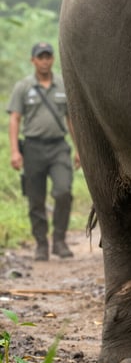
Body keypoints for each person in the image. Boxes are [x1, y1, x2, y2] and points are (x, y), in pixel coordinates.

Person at [7, 42, 79, 261]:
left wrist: (79, 149)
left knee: (63, 191)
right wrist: (14, 151)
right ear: (33, 61)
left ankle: (59, 240)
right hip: (33, 148)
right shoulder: (23, 87)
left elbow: (72, 119)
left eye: (48, 56)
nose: (45, 61)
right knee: (35, 199)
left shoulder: (62, 85)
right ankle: (41, 244)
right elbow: (15, 118)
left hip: (58, 147)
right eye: (41, 57)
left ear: (53, 59)